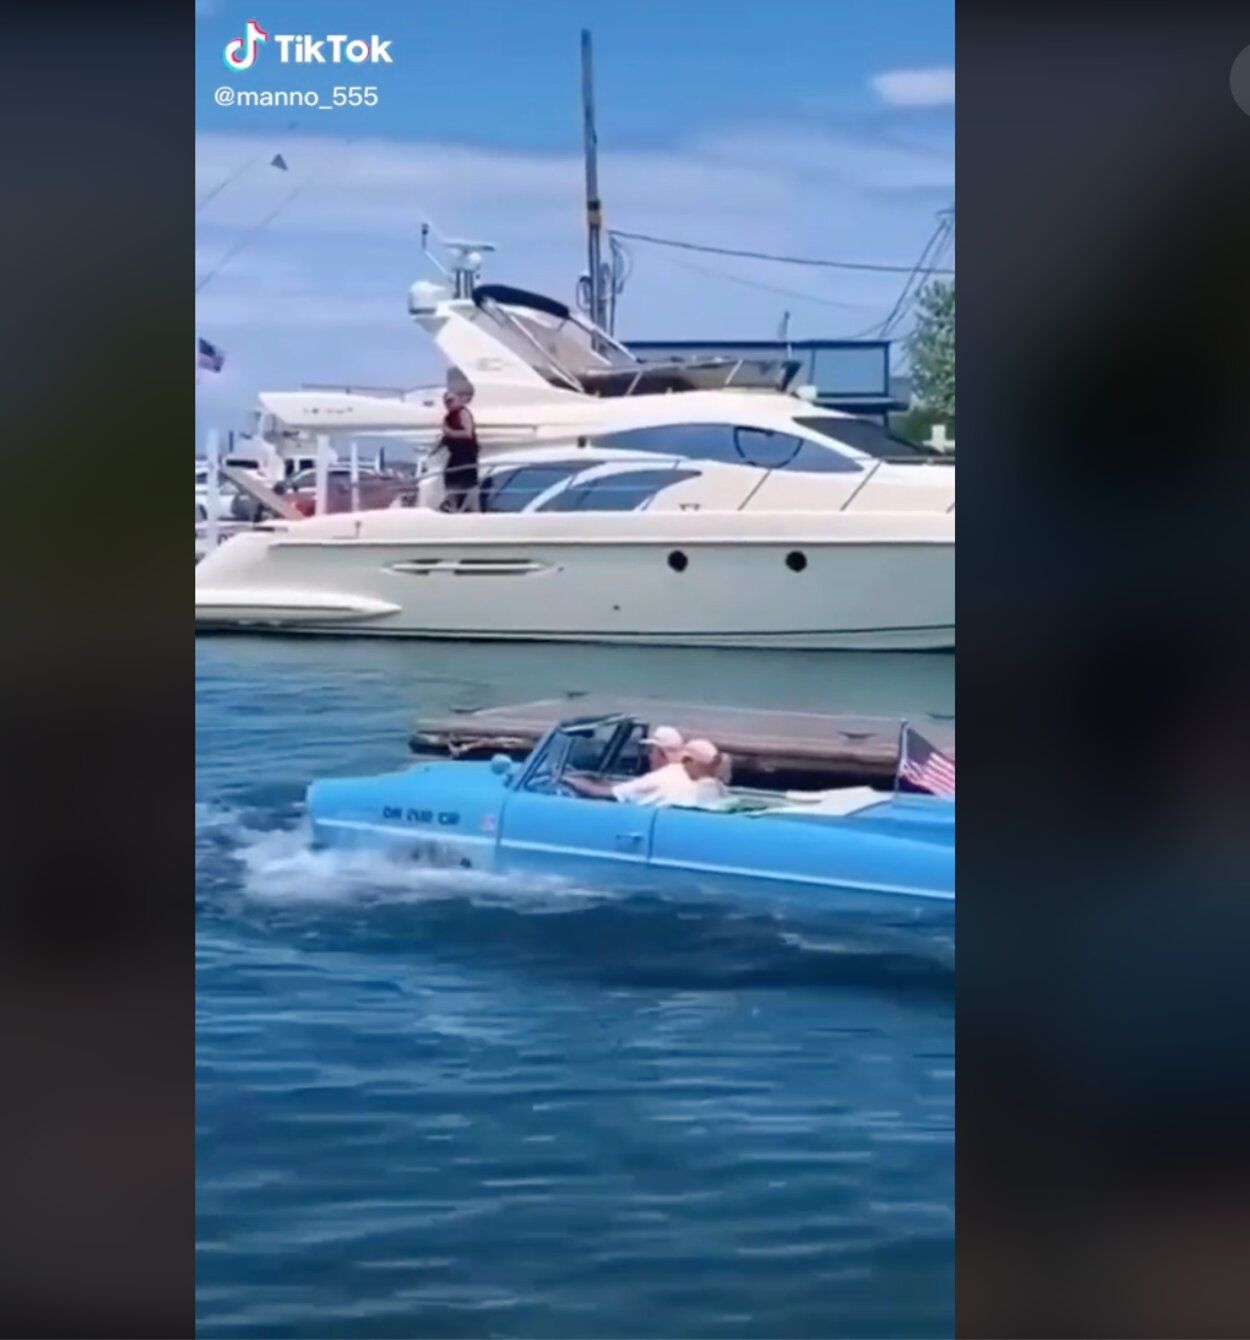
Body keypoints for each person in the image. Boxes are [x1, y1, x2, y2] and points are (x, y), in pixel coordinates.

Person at [438, 390, 480, 512]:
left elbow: (467, 433)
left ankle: (461, 505)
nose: (448, 404)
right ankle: (453, 504)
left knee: (463, 479)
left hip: (466, 455)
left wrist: (449, 432)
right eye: (446, 402)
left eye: (451, 400)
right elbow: (446, 438)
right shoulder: (448, 418)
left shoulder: (463, 412)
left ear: (458, 400)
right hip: (456, 454)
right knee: (450, 476)